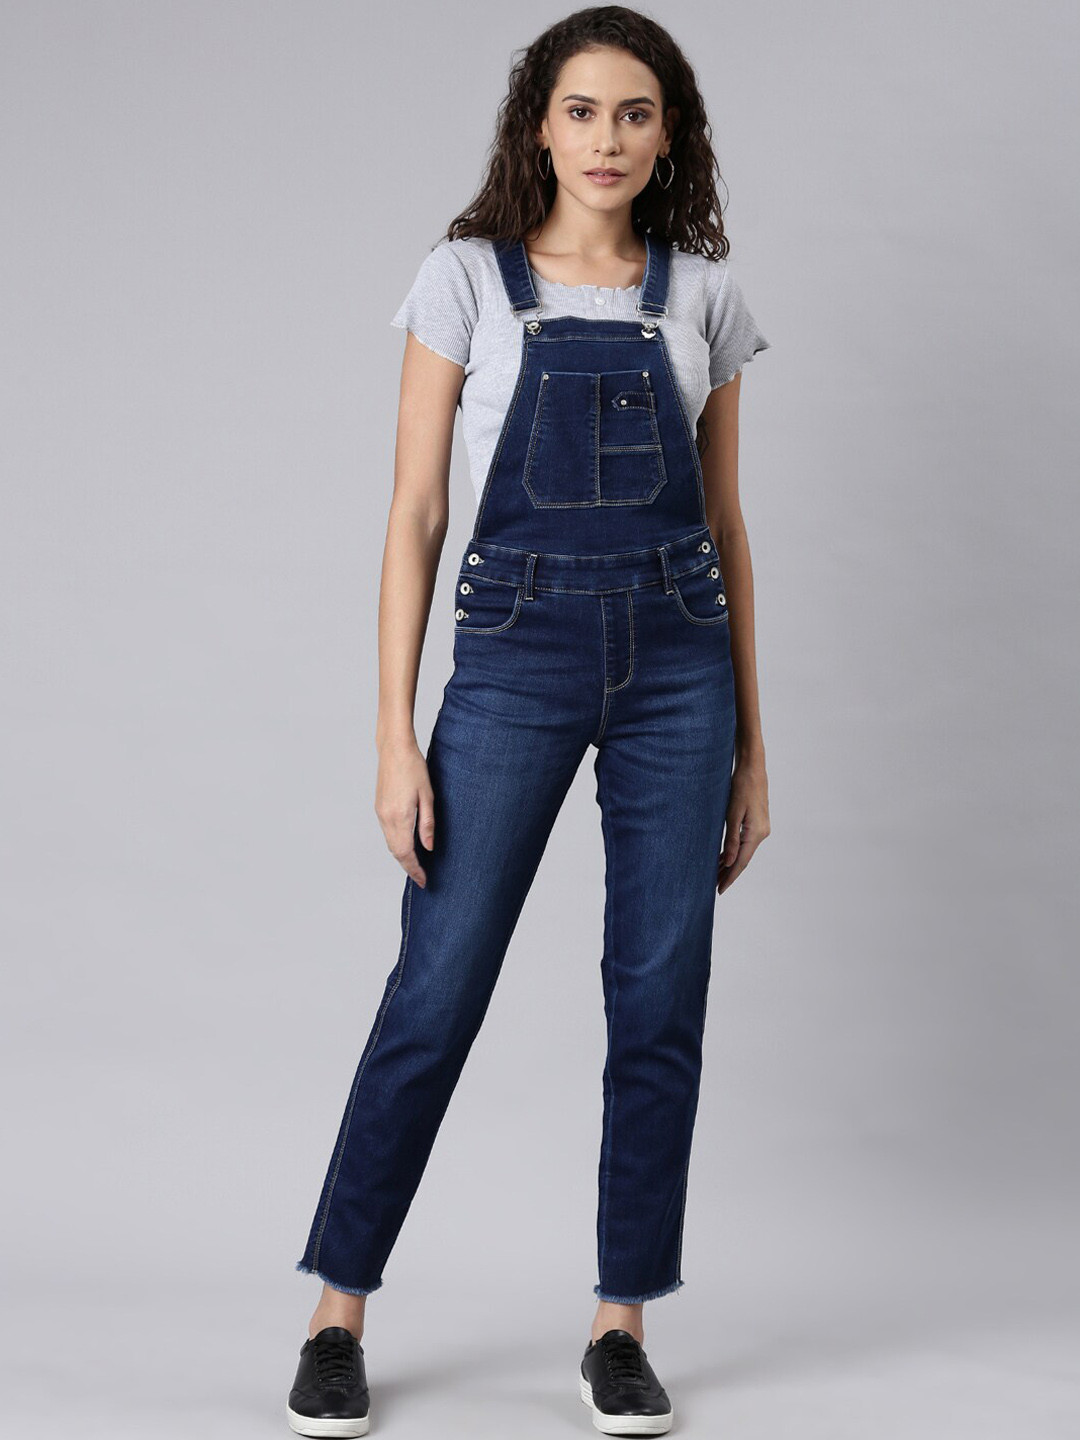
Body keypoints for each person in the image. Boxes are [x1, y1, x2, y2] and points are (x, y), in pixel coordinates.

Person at [285, 7, 772, 1435]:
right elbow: (414, 515)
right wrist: (394, 735)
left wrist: (753, 742)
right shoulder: (465, 282)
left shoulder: (705, 297)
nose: (607, 139)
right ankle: (334, 1316)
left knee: (659, 998)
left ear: (669, 134)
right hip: (513, 658)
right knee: (435, 989)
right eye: (581, 111)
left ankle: (621, 1325)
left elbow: (727, 527)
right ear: (539, 129)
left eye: (635, 113)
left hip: (681, 667)